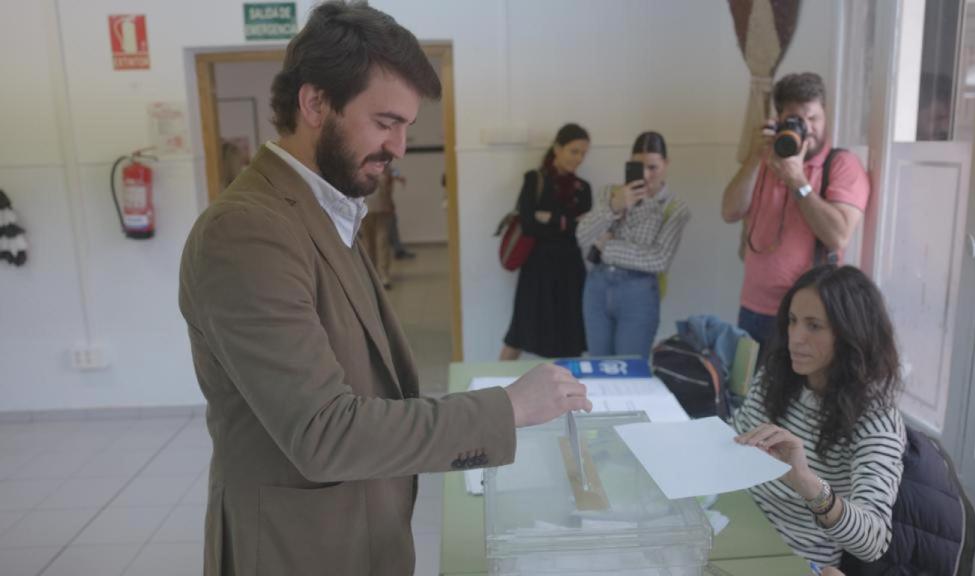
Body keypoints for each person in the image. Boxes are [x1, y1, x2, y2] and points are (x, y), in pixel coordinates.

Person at [178, 3, 591, 575]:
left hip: (362, 531)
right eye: (385, 122)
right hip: (295, 549)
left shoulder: (326, 209)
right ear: (316, 102)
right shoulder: (247, 231)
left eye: (406, 128)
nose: (399, 147)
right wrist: (507, 409)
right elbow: (323, 431)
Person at [733, 265, 906, 569]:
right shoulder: (775, 377)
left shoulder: (876, 419)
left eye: (814, 326)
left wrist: (806, 482)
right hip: (734, 527)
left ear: (851, 334)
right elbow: (734, 445)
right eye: (793, 321)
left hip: (790, 558)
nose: (795, 338)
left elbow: (874, 540)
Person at [721, 73, 870, 353]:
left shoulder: (842, 165)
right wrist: (755, 156)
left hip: (811, 316)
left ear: (825, 117)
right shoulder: (764, 161)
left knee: (800, 396)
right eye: (797, 120)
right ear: (778, 120)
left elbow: (837, 236)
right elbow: (729, 211)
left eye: (814, 118)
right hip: (754, 309)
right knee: (749, 395)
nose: (808, 128)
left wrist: (797, 181)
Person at [577, 131, 691, 357]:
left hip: (638, 292)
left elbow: (658, 259)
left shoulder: (674, 208)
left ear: (665, 164)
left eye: (653, 167)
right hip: (596, 286)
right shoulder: (611, 193)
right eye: (639, 167)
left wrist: (606, 247)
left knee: (630, 369)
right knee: (598, 367)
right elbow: (583, 236)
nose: (646, 175)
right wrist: (614, 206)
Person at [500, 123, 593, 360]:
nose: (579, 158)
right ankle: (495, 391)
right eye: (574, 151)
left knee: (569, 341)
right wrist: (566, 222)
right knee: (518, 335)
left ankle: (568, 396)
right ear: (557, 148)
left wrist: (551, 218)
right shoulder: (535, 180)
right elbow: (529, 224)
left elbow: (584, 230)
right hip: (537, 271)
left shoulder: (583, 189)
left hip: (571, 272)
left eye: (583, 153)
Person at [359, 164, 402, 288]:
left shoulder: (361, 164)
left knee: (371, 243)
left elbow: (392, 178)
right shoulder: (384, 165)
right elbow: (390, 181)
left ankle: (374, 276)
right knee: (379, 243)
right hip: (377, 207)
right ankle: (382, 276)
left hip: (368, 208)